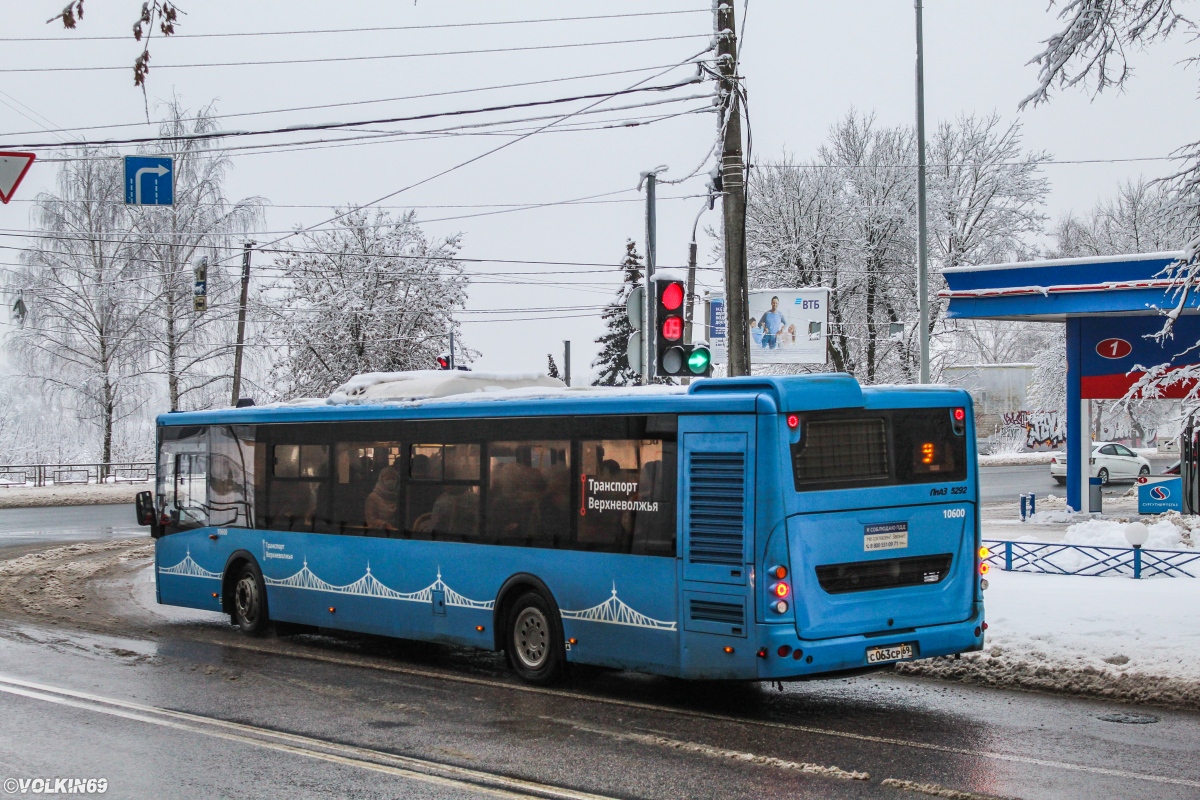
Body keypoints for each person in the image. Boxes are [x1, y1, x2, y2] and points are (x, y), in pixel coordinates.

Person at [364, 466, 399, 533]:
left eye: (393, 478)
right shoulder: (373, 497)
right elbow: (371, 520)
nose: (391, 481)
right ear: (381, 480)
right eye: (387, 479)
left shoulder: (401, 496)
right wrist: (384, 525)